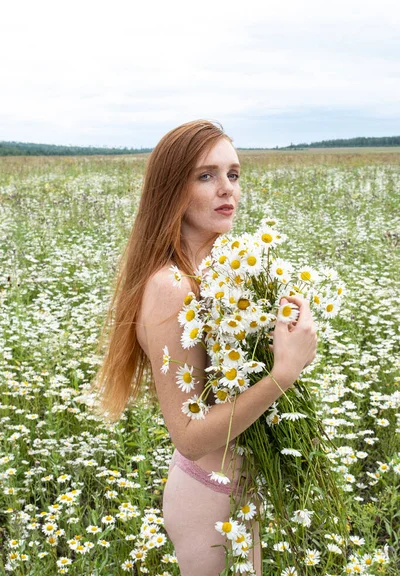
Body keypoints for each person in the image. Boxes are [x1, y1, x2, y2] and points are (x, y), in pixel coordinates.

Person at [91, 119, 317, 576]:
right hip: (207, 496)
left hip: (243, 486)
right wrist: (283, 372)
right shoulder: (170, 286)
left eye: (233, 174)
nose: (226, 190)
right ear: (171, 189)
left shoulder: (221, 272)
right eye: (206, 175)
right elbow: (190, 438)